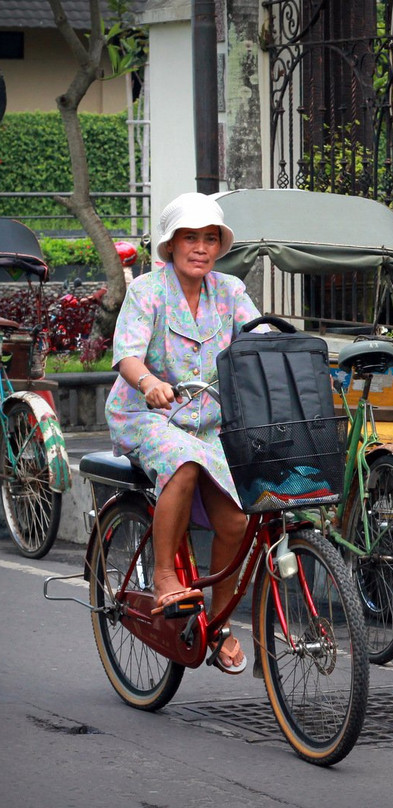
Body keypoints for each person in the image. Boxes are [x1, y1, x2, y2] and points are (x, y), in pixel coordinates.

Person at [105, 191, 257, 675]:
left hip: (207, 424)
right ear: (171, 244)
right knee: (183, 462)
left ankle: (220, 621)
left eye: (210, 238)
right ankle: (165, 576)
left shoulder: (230, 290)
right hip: (147, 416)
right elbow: (128, 355)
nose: (201, 248)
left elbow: (259, 337)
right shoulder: (147, 291)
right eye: (190, 238)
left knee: (237, 518)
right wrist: (149, 383)